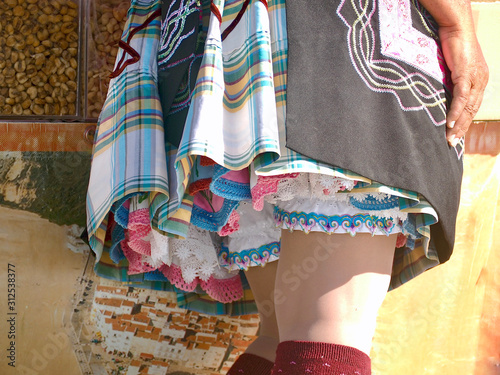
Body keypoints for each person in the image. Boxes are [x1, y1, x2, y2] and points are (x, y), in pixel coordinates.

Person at [85, 0, 488, 374]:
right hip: (328, 46)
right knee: (329, 330)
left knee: (281, 333)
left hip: (230, 47)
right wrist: (457, 21)